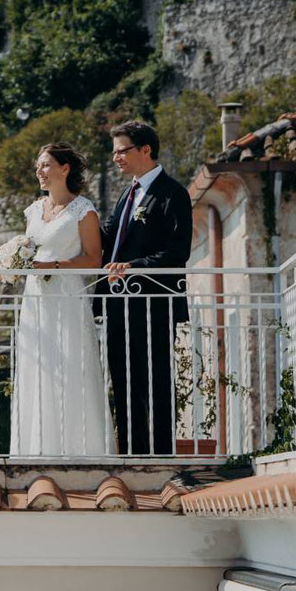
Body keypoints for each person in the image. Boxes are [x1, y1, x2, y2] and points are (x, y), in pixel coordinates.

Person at [9, 142, 114, 456]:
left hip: (68, 297)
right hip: (35, 302)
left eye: (45, 165)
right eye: (38, 167)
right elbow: (27, 254)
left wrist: (52, 266)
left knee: (71, 368)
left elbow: (94, 259)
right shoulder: (33, 210)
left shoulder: (84, 210)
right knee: (38, 370)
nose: (39, 172)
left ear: (64, 169)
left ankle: (85, 450)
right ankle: (35, 450)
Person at [99, 120, 193, 456]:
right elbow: (107, 240)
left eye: (121, 151)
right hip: (118, 305)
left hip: (153, 305)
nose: (116, 159)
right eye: (114, 153)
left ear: (145, 150)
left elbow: (178, 251)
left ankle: (162, 456)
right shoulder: (128, 193)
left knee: (155, 382)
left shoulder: (173, 193)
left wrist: (133, 268)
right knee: (123, 383)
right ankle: (131, 455)